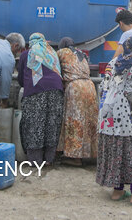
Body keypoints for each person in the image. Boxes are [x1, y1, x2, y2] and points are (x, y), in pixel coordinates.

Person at [96, 35, 132, 206]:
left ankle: (118, 190)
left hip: (105, 112)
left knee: (115, 150)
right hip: (120, 114)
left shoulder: (113, 62)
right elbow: (130, 93)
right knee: (129, 151)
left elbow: (102, 86)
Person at [18, 33, 65, 165]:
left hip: (35, 91)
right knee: (52, 124)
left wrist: (27, 85)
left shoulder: (26, 54)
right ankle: (49, 159)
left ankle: (35, 160)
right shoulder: (52, 53)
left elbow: (21, 78)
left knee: (34, 124)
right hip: (56, 91)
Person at [56, 37, 98, 166]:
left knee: (75, 121)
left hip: (76, 88)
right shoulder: (81, 53)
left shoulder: (62, 52)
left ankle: (75, 158)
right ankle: (92, 154)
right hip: (90, 86)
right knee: (90, 121)